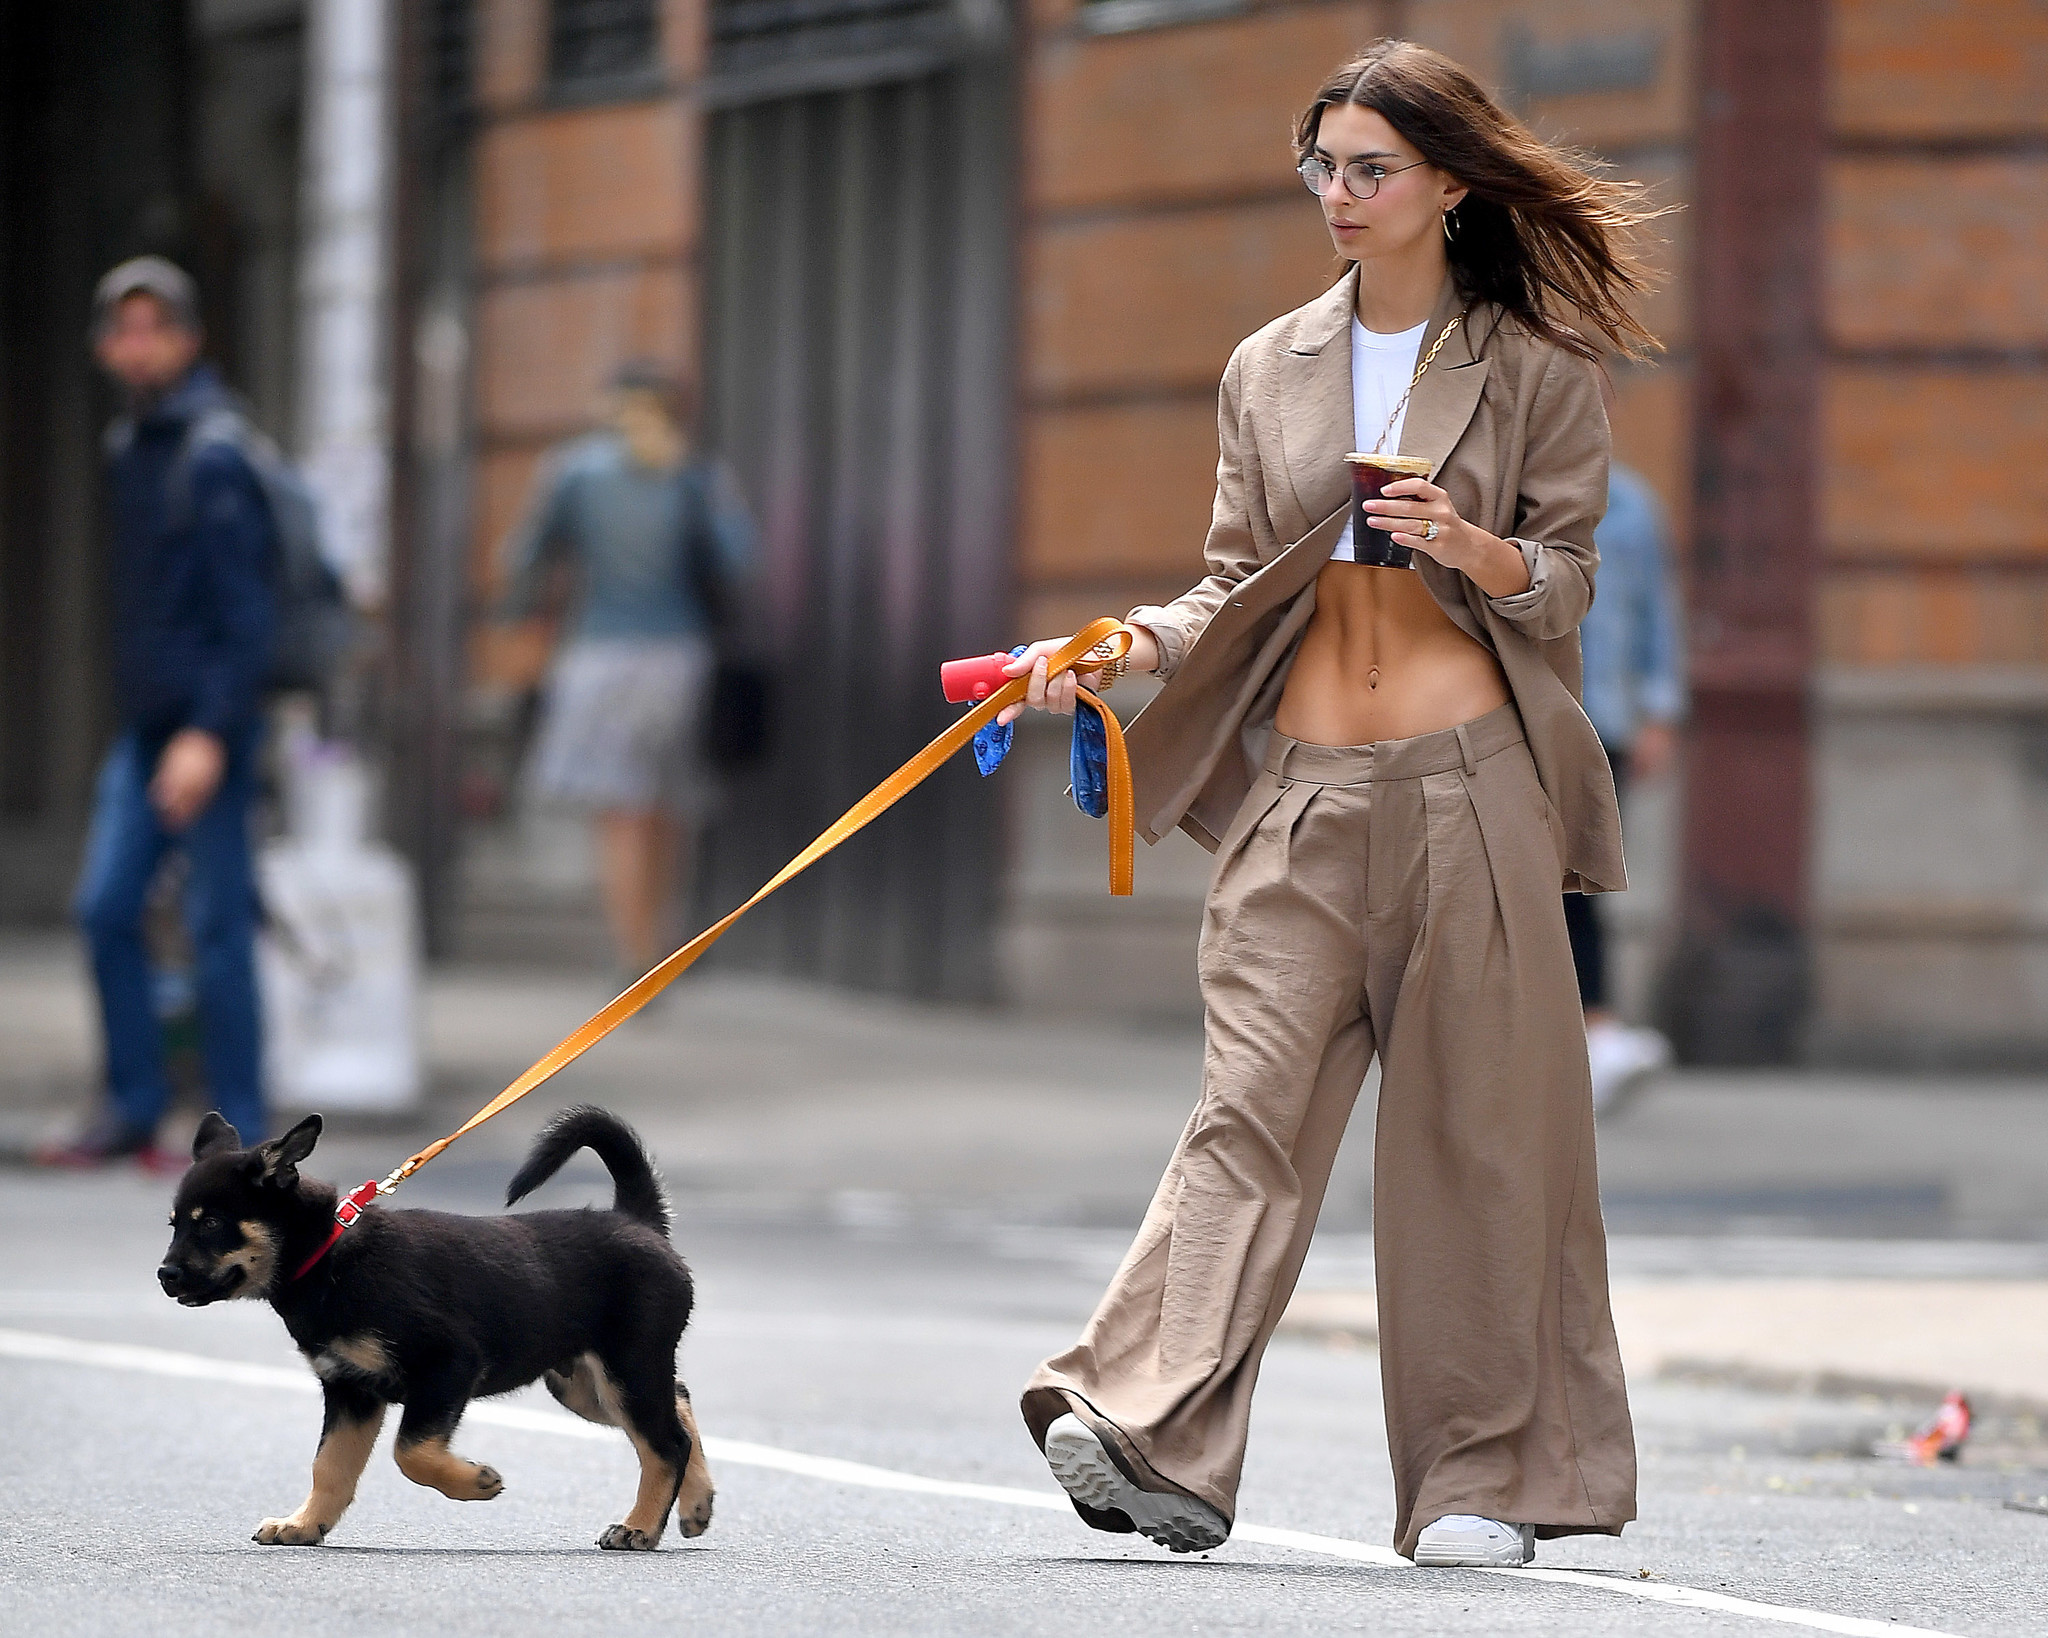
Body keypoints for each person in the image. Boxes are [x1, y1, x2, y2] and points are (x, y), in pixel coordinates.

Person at [1002, 40, 1661, 1567]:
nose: (1340, 196)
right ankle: (1152, 1429)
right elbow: (1235, 577)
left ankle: (1480, 1479)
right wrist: (1118, 648)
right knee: (1248, 1113)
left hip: (1470, 794)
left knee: (1476, 1139)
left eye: (1371, 168)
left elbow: (1570, 578)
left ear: (1448, 182)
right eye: (1324, 168)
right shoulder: (1269, 365)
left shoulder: (1540, 367)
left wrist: (1482, 549)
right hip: (1298, 795)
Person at [38, 258, 276, 1168]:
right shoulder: (127, 446)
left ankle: (242, 1127)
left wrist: (209, 734)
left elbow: (245, 619)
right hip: (144, 731)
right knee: (105, 909)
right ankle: (134, 1104)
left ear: (189, 339)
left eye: (156, 327)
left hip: (203, 732)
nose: (138, 346)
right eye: (122, 330)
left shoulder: (213, 453)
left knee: (218, 929)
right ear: (104, 347)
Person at [498, 362, 757, 980]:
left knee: (620, 809)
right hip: (678, 656)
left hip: (600, 654)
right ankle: (663, 939)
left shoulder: (574, 471)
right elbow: (740, 558)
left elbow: (523, 557)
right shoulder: (693, 474)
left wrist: (523, 620)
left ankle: (636, 954)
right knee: (664, 806)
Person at [1568, 463, 1685, 1113]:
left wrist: (1660, 712)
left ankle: (1596, 1033)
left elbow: (1655, 614)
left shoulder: (1635, 505)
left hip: (1603, 720)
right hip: (1519, 718)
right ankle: (1591, 1032)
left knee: (1583, 879)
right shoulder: (1505, 481)